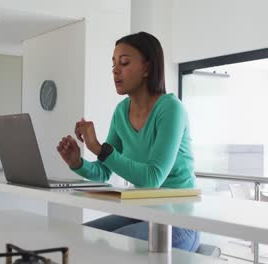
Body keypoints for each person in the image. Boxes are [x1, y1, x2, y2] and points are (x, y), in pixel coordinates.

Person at [56, 31, 199, 252]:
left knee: (115, 245)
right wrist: (77, 163)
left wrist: (98, 147)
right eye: (113, 64)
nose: (115, 70)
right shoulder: (122, 111)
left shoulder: (171, 109)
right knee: (80, 237)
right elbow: (104, 172)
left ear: (147, 68)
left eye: (124, 63)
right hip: (141, 212)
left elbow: (152, 178)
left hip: (179, 223)